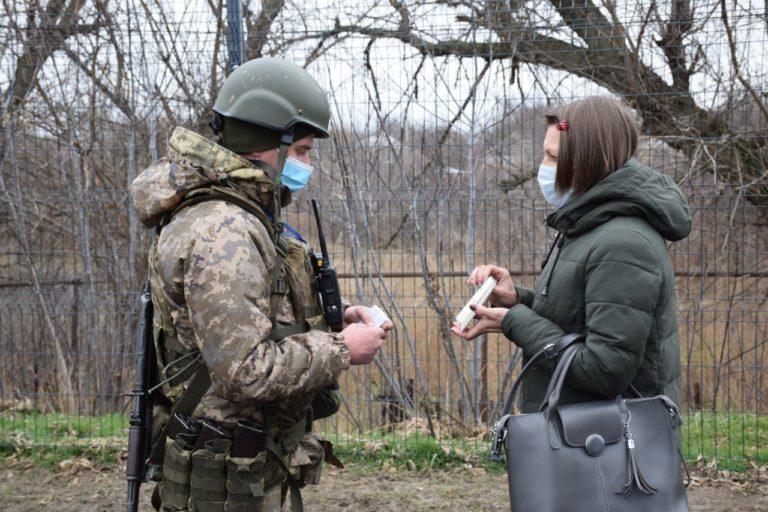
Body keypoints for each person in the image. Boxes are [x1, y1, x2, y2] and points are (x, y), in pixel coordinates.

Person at [130, 57, 393, 512]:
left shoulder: (239, 215)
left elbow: (251, 309)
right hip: (227, 473)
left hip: (248, 462)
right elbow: (244, 370)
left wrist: (337, 316)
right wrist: (343, 348)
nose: (308, 165)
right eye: (303, 150)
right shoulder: (224, 230)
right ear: (268, 143)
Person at [452, 96, 691, 414]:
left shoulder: (623, 243)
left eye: (554, 158)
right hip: (585, 439)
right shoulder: (591, 221)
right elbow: (580, 319)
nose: (544, 168)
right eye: (545, 155)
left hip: (611, 450)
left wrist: (517, 321)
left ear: (588, 163)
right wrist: (518, 301)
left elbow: (603, 369)